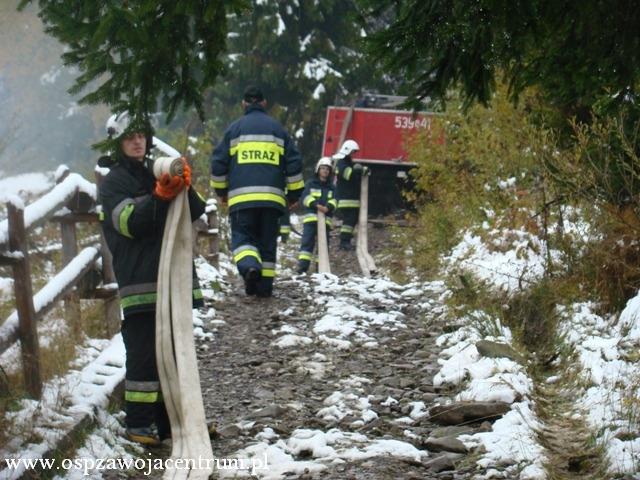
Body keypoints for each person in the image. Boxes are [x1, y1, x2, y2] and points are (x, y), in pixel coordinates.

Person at [99, 112, 206, 446]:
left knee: (176, 356)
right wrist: (158, 196)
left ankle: (176, 425)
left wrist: (183, 183)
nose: (137, 141)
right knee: (145, 355)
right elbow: (132, 223)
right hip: (142, 283)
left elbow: (196, 210)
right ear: (117, 142)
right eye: (129, 136)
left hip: (172, 282)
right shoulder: (114, 182)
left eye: (141, 135)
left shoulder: (154, 171)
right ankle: (139, 424)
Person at [210, 85, 304, 297]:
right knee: (267, 244)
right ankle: (264, 288)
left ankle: (250, 267)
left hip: (242, 200)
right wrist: (294, 194)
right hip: (272, 201)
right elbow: (294, 162)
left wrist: (221, 191)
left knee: (243, 240)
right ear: (263, 103)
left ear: (244, 103)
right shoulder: (278, 130)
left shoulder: (234, 130)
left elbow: (218, 164)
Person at [297, 157, 337, 273]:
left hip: (325, 221)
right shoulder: (310, 183)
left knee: (323, 245)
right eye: (323, 168)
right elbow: (304, 198)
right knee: (307, 243)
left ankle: (320, 269)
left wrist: (328, 207)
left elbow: (335, 200)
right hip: (311, 220)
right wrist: (316, 205)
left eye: (327, 169)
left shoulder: (332, 187)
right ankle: (302, 268)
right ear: (318, 170)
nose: (325, 171)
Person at [334, 139, 368, 250]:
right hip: (345, 199)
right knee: (349, 220)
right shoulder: (341, 164)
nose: (353, 154)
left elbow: (355, 172)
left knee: (351, 220)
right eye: (353, 152)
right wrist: (358, 170)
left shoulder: (347, 162)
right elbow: (349, 175)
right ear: (347, 151)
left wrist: (363, 170)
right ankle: (344, 242)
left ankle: (346, 240)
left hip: (351, 199)